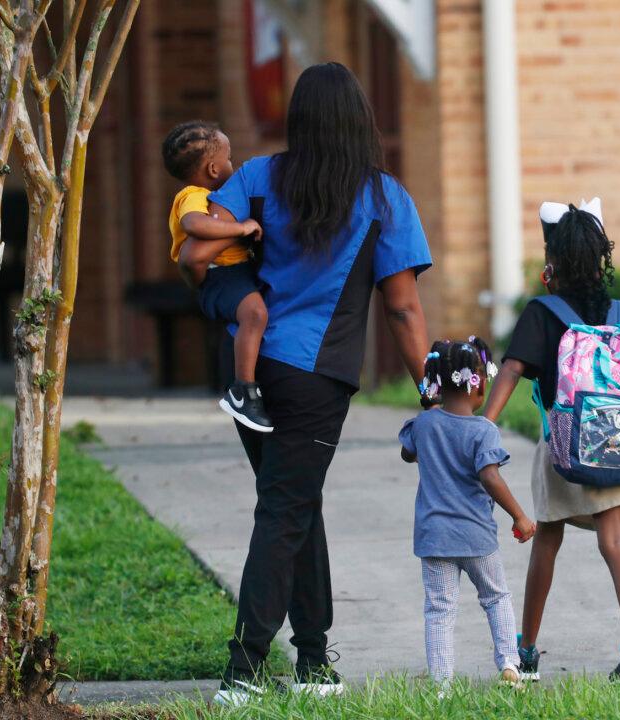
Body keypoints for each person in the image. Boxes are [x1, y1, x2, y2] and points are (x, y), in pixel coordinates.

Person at [177, 63, 433, 706]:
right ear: (359, 122)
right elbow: (402, 310)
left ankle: (315, 663)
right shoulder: (384, 198)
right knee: (287, 508)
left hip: (249, 370)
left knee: (295, 502)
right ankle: (245, 669)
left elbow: (196, 256)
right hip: (317, 378)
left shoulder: (256, 177)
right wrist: (432, 394)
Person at [482, 202, 620, 683]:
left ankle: (524, 652)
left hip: (565, 446)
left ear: (553, 261)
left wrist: (484, 423)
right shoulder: (618, 312)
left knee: (547, 538)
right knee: (615, 541)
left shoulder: (542, 312)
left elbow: (512, 369)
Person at [399, 337, 535, 689]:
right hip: (476, 536)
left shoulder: (423, 425)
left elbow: (407, 454)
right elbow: (490, 475)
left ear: (436, 383)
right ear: (478, 381)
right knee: (496, 597)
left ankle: (442, 685)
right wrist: (519, 515)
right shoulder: (483, 431)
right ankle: (508, 665)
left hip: (434, 538)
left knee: (440, 610)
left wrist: (429, 408)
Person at [162, 121, 272, 432]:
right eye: (229, 159)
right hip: (220, 274)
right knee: (255, 313)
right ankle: (243, 391)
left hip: (232, 272)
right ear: (213, 168)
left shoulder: (211, 194)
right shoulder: (192, 195)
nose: (232, 165)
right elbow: (195, 224)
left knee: (256, 315)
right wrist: (241, 228)